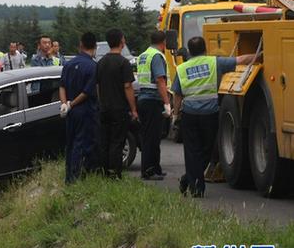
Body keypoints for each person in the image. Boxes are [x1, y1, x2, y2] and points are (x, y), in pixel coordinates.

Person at [172, 36, 257, 197]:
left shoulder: (182, 68)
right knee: (207, 150)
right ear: (205, 49)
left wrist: (175, 115)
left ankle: (189, 179)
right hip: (210, 114)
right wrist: (259, 54)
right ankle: (197, 187)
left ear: (189, 51)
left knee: (191, 151)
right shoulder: (214, 62)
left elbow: (177, 94)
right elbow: (240, 60)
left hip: (189, 115)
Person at [96, 29, 138, 179]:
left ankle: (104, 171)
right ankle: (115, 173)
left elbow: (98, 86)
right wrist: (133, 109)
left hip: (104, 107)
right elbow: (128, 86)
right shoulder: (123, 62)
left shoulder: (100, 63)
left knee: (105, 140)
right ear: (122, 41)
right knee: (117, 141)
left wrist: (101, 102)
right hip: (119, 108)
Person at [59, 32, 98, 184]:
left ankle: (68, 176)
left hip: (70, 113)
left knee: (70, 143)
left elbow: (62, 86)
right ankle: (76, 178)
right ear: (94, 46)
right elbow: (87, 92)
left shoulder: (68, 64)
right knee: (81, 145)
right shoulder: (93, 66)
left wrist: (64, 104)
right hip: (85, 111)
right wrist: (72, 103)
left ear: (80, 45)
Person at [137, 31, 171, 180]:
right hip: (153, 100)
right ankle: (149, 170)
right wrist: (167, 102)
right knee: (151, 137)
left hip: (143, 98)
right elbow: (160, 80)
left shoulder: (144, 55)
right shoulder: (157, 56)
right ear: (163, 42)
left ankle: (155, 168)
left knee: (151, 136)